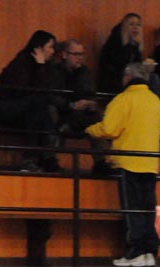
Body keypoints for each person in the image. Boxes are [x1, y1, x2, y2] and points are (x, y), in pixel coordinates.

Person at [86, 62, 160, 267]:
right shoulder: (155, 101)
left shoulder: (123, 99)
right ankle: (149, 252)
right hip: (150, 162)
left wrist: (89, 129)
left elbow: (109, 128)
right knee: (148, 209)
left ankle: (134, 252)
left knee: (132, 209)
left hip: (128, 161)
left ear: (127, 77)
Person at [0, 30, 61, 173]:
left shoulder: (47, 66)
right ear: (39, 47)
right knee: (38, 105)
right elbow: (23, 92)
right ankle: (46, 156)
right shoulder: (21, 62)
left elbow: (45, 92)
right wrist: (40, 66)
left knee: (38, 112)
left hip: (29, 110)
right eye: (50, 47)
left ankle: (35, 160)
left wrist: (41, 66)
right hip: (7, 107)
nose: (52, 51)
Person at [48, 39, 107, 174]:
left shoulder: (84, 72)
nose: (80, 58)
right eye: (76, 54)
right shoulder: (54, 71)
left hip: (80, 113)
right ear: (64, 55)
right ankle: (49, 158)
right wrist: (71, 105)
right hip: (62, 110)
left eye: (82, 54)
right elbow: (51, 96)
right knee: (49, 112)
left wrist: (90, 103)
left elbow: (90, 93)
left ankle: (100, 162)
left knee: (98, 117)